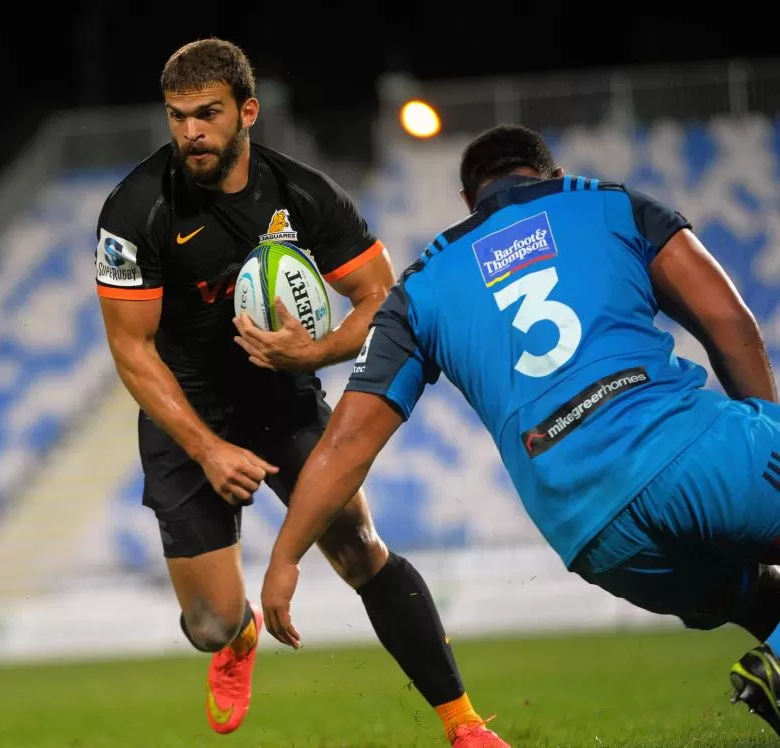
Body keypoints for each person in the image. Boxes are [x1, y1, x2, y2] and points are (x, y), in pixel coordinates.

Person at [259, 123, 780, 736]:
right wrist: (765, 429)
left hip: (596, 536)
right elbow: (728, 318)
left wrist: (286, 556)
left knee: (756, 599)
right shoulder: (609, 203)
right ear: (550, 174)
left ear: (466, 202)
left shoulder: (421, 289)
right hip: (689, 451)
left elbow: (347, 442)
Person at [94, 38, 508, 746]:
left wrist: (317, 351)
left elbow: (380, 295)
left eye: (207, 113)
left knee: (360, 546)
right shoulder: (136, 208)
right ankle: (239, 636)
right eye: (176, 116)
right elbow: (130, 350)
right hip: (185, 416)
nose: (190, 131)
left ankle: (464, 725)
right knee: (208, 623)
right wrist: (207, 447)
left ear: (246, 112)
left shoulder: (304, 195)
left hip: (281, 400)